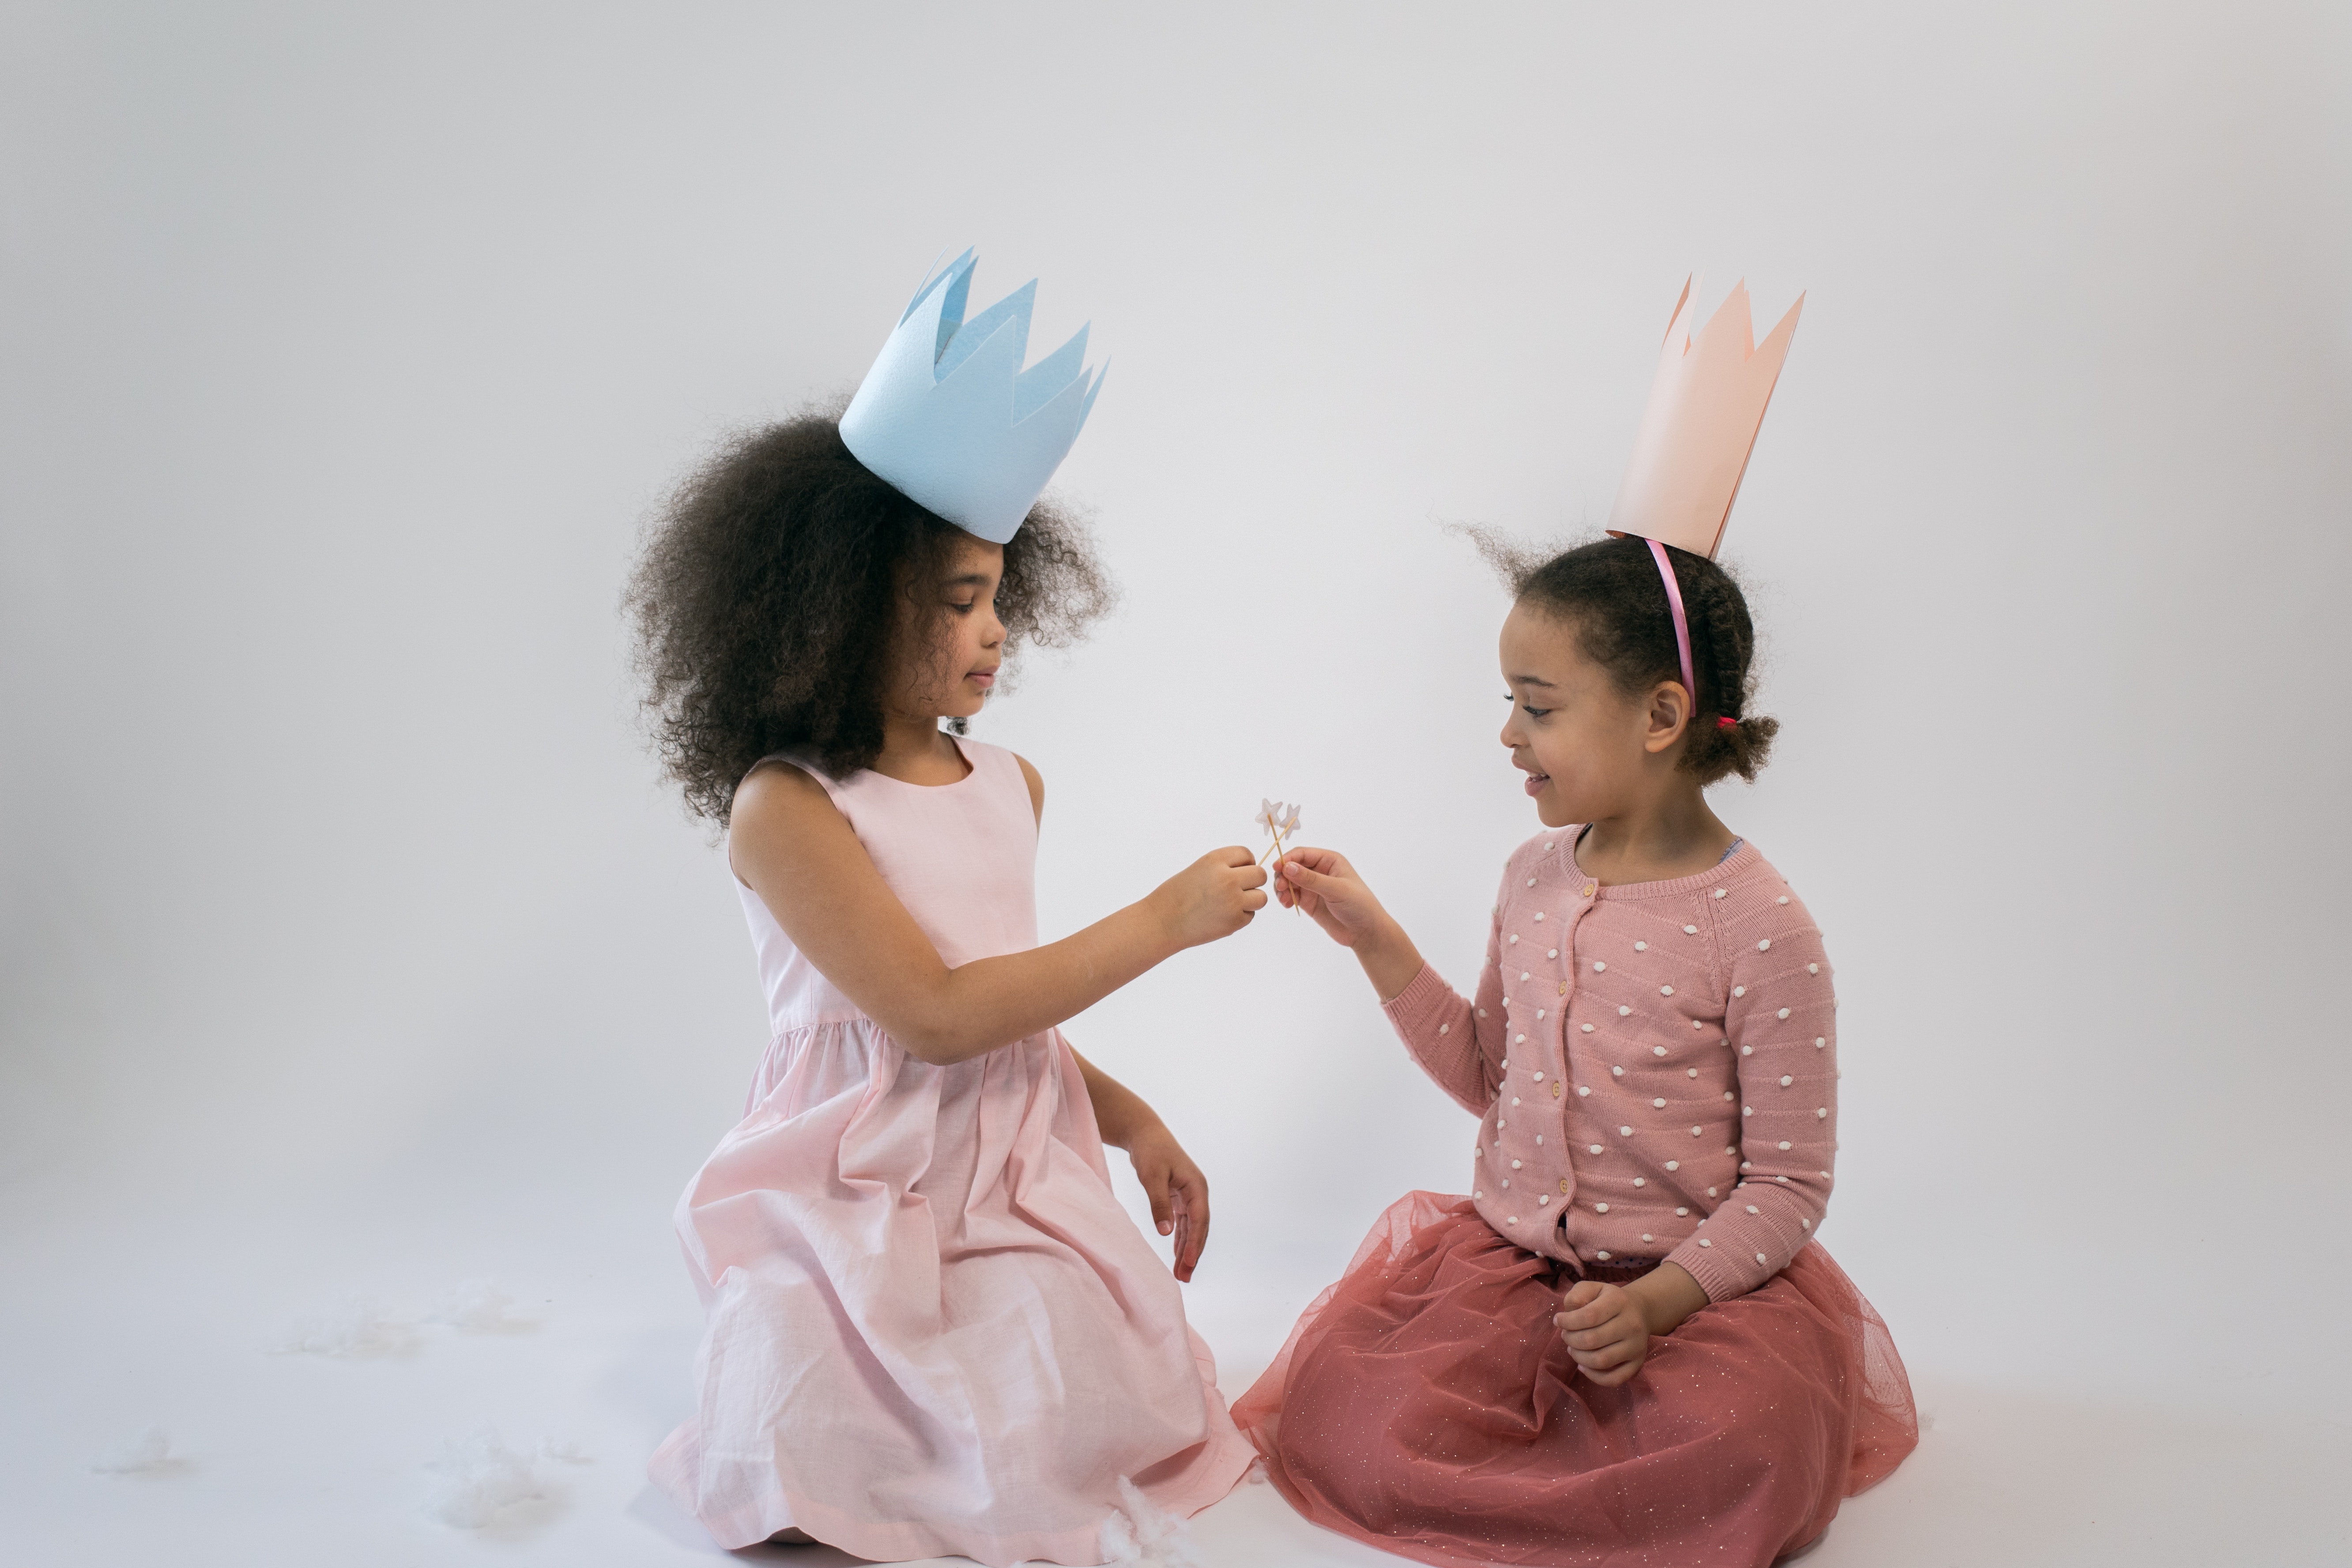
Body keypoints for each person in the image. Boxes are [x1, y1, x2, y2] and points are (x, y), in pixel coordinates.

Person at [632, 252, 1259, 1564]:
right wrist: (1161, 921)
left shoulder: (1010, 782)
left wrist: (1130, 1120)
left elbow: (1004, 1001)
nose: (996, 635)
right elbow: (930, 1015)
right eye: (961, 601)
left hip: (1007, 1172)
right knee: (796, 1390)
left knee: (1064, 1376)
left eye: (1000, 597)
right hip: (852, 1176)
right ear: (841, 613)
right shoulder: (789, 808)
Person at [1249, 532, 1919, 1567]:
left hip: (1690, 1290)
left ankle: (1618, 1453)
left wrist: (1657, 1302)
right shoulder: (1532, 875)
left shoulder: (1759, 928)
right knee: (1346, 1400)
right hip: (1515, 1271)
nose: (1510, 735)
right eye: (1510, 703)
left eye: (1540, 705)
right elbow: (1490, 1076)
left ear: (1662, 714)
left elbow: (1787, 1185)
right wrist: (1373, 937)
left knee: (1745, 1449)